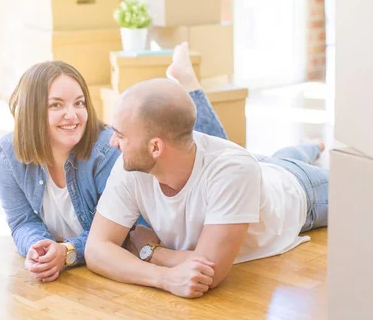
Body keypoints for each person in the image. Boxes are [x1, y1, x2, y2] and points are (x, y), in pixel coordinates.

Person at [0, 43, 228, 283]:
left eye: (79, 102)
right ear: (31, 112)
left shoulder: (108, 151)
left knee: (211, 156)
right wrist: (39, 248)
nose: (73, 115)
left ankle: (190, 86)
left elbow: (124, 233)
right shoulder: (8, 153)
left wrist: (67, 251)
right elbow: (21, 221)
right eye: (56, 105)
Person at [84, 77, 330, 298]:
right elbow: (96, 250)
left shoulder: (234, 170)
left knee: (361, 187)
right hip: (252, 173)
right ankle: (312, 146)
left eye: (120, 135)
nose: (113, 142)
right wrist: (164, 278)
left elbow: (209, 270)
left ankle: (311, 149)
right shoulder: (133, 164)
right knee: (280, 155)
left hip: (298, 188)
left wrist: (150, 251)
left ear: (156, 148)